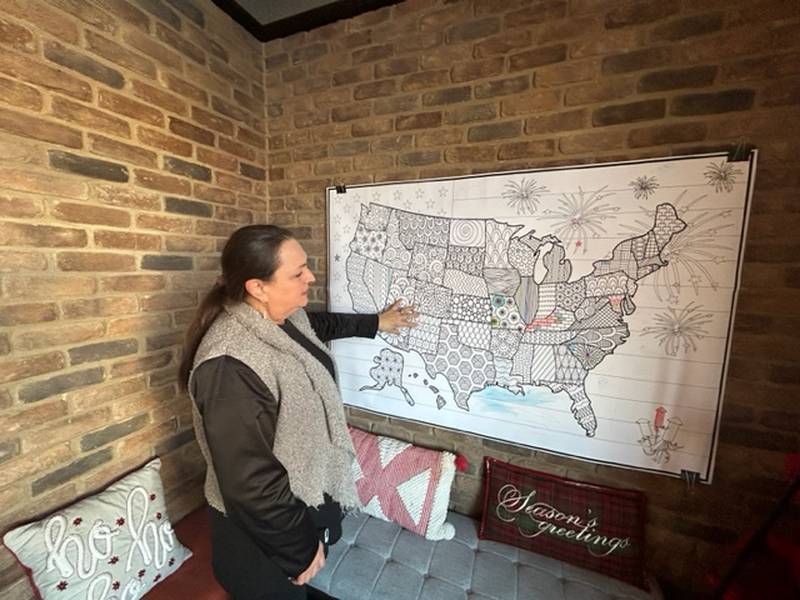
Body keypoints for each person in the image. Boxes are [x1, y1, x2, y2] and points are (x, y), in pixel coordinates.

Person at [178, 224, 417, 600]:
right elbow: (251, 483)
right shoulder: (229, 366)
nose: (311, 276)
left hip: (296, 506)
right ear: (258, 287)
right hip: (259, 542)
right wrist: (299, 550)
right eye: (297, 272)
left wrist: (376, 323)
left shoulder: (284, 321)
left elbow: (321, 325)